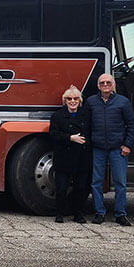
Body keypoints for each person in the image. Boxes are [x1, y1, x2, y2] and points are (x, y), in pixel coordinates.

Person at [86, 73, 134, 225]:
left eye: (108, 82)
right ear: (98, 86)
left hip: (118, 149)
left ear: (113, 85)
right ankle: (99, 213)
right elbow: (86, 125)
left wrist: (127, 145)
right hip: (98, 148)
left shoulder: (123, 102)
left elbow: (132, 125)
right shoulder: (91, 102)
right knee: (96, 182)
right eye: (102, 83)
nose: (105, 85)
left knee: (120, 183)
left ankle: (120, 214)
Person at [48, 86, 92, 223]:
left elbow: (92, 132)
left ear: (80, 100)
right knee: (61, 188)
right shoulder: (57, 116)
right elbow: (53, 134)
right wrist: (70, 138)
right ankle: (59, 213)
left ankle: (78, 214)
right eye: (69, 99)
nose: (73, 101)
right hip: (64, 157)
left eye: (76, 98)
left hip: (82, 157)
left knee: (80, 188)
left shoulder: (87, 115)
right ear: (65, 101)